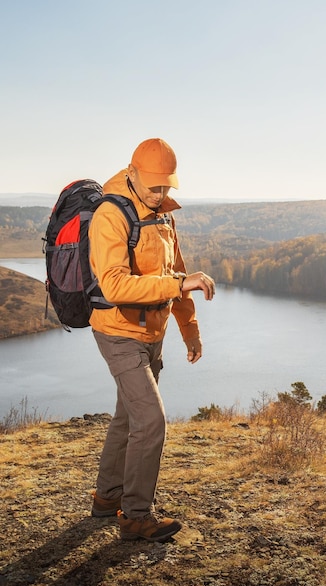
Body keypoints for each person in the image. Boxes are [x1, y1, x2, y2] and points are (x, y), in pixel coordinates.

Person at [88, 138, 215, 542]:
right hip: (118, 332)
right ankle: (136, 516)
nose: (161, 195)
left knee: (128, 416)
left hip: (152, 332)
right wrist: (180, 281)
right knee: (151, 420)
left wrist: (189, 330)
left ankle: (107, 498)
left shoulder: (163, 217)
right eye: (154, 187)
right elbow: (113, 284)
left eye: (167, 187)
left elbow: (176, 274)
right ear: (133, 172)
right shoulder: (110, 214)